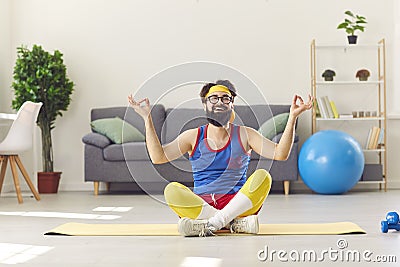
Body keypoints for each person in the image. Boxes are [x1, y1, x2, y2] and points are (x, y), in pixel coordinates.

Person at [128, 80, 313, 237]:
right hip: (202, 206)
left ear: (232, 104)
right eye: (213, 98)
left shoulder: (245, 135)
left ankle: (210, 224)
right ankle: (231, 224)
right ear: (205, 104)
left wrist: (293, 117)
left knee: (263, 176)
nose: (219, 102)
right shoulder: (192, 136)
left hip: (238, 205)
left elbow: (280, 153)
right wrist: (147, 119)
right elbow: (158, 157)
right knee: (171, 190)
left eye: (225, 98)